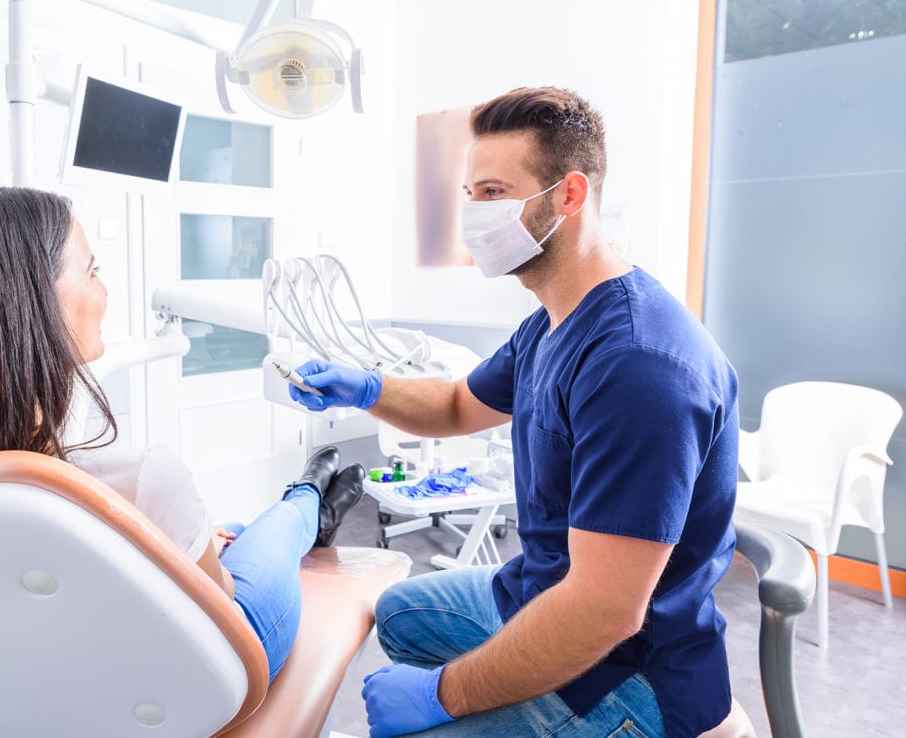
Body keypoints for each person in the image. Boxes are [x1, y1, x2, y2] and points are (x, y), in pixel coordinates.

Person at [289, 87, 738, 737]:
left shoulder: (638, 366)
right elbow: (455, 404)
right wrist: (365, 389)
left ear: (569, 195)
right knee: (396, 614)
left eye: (495, 193)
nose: (474, 216)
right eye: (471, 194)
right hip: (542, 589)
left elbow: (605, 613)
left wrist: (444, 694)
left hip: (627, 672)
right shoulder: (551, 323)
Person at [0, 184, 366, 681]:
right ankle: (308, 499)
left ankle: (296, 511)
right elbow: (222, 605)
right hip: (209, 676)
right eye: (92, 270)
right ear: (32, 304)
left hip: (36, 681)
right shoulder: (141, 479)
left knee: (230, 531)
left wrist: (191, 543)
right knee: (275, 531)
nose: (105, 291)